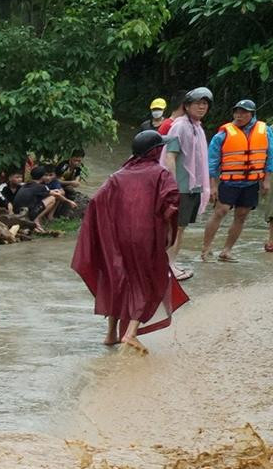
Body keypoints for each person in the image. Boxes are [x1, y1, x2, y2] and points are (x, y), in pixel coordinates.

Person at [72, 129, 185, 353]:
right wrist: (168, 233)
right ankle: (130, 334)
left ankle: (111, 334)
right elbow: (171, 203)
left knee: (119, 280)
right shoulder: (160, 174)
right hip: (146, 237)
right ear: (154, 151)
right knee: (147, 281)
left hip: (118, 236)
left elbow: (96, 201)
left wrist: (105, 231)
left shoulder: (118, 175)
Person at [199, 99, 269, 262]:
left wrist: (266, 180)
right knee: (220, 211)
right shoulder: (223, 134)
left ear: (252, 114)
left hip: (251, 183)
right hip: (229, 181)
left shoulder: (264, 131)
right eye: (237, 111)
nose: (239, 115)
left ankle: (226, 251)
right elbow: (212, 162)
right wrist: (212, 185)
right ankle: (206, 249)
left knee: (242, 215)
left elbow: (269, 156)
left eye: (244, 112)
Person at [163, 87, 214, 275]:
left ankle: (171, 264)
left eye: (205, 103)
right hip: (181, 187)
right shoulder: (180, 126)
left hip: (193, 187)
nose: (202, 107)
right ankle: (167, 267)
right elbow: (170, 157)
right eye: (198, 103)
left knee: (181, 228)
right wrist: (172, 185)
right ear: (186, 106)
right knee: (174, 229)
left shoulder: (197, 128)